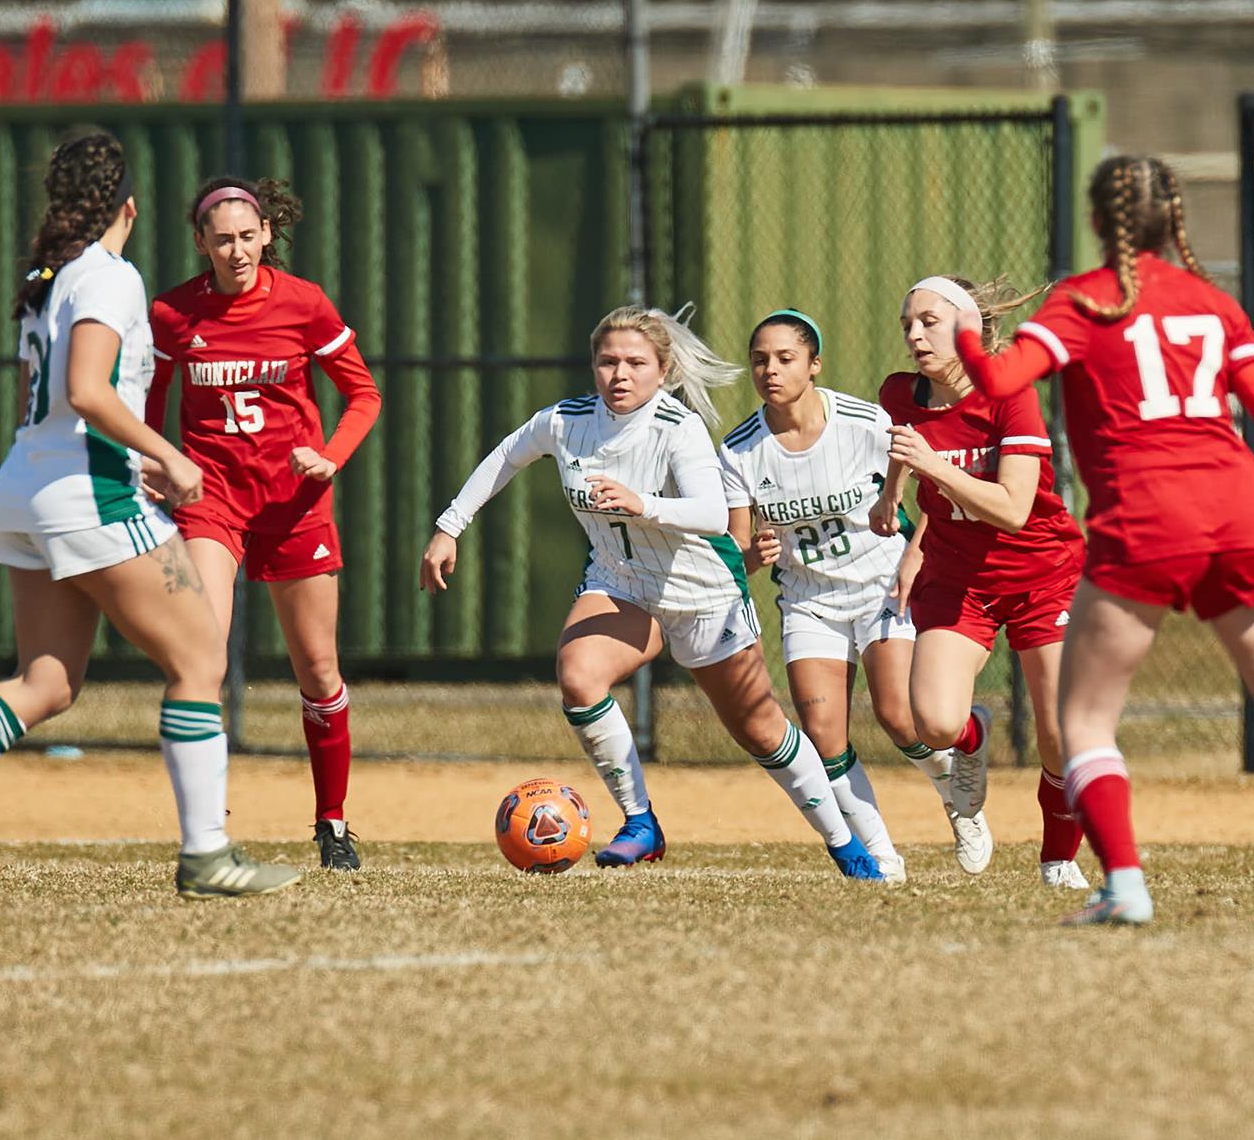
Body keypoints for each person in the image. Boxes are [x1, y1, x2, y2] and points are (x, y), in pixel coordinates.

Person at [952, 153, 1254, 929]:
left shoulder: (1084, 303)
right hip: (1237, 516)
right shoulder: (1213, 303)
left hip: (1146, 521)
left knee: (1084, 721)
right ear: (1171, 217)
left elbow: (998, 383)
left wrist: (969, 338)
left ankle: (1125, 884)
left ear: (1096, 221)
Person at [0, 129, 300, 903]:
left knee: (48, 679)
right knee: (200, 659)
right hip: (87, 492)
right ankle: (206, 855)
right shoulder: (109, 277)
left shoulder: (46, 278)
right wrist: (170, 456)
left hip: (25, 488)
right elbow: (89, 391)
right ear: (128, 207)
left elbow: (59, 395)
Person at [420, 305, 886, 880]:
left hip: (703, 592)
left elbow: (715, 514)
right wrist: (449, 527)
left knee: (763, 734)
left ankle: (845, 844)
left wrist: (645, 504)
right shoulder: (565, 422)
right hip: (622, 582)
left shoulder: (676, 427)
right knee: (578, 675)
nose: (620, 374)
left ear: (662, 371)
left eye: (636, 363)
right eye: (608, 361)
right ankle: (641, 821)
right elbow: (506, 457)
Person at [143, 176, 383, 871]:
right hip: (211, 499)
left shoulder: (302, 302)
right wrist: (154, 464)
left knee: (318, 671)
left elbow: (362, 394)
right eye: (223, 238)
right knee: (201, 657)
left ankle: (332, 822)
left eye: (248, 236)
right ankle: (206, 825)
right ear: (201, 242)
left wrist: (330, 456)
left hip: (292, 501)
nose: (237, 249)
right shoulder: (173, 314)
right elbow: (149, 402)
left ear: (267, 234)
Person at [720, 310, 985, 882]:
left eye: (786, 358)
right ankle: (882, 858)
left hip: (880, 587)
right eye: (760, 360)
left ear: (814, 365)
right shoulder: (740, 450)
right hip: (809, 600)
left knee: (900, 718)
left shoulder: (865, 422)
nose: (771, 369)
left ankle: (956, 795)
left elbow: (936, 494)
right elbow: (738, 551)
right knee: (823, 737)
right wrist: (752, 556)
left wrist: (911, 540)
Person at [870, 277, 1091, 891]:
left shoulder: (1010, 395)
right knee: (935, 724)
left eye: (929, 322)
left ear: (970, 330)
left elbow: (1014, 508)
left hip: (1042, 575)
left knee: (1059, 733)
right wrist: (895, 502)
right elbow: (906, 449)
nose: (915, 335)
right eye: (908, 323)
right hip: (959, 577)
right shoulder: (899, 393)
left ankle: (1057, 859)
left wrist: (927, 468)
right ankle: (973, 740)